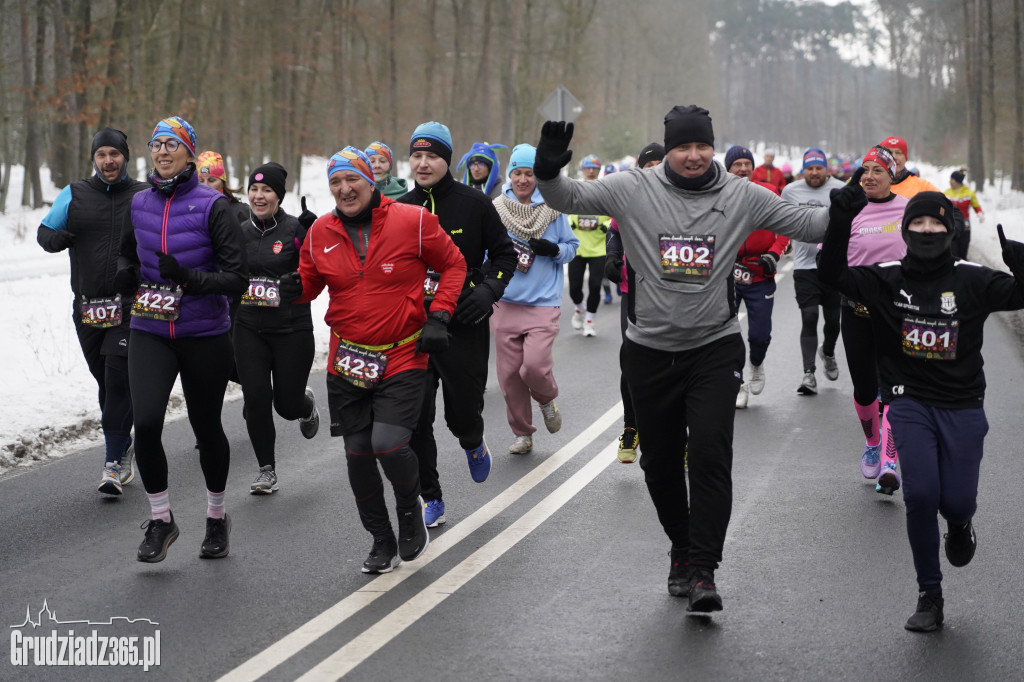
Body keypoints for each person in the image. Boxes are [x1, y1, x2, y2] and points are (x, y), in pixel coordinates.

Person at [533, 106, 830, 613]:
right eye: (682, 147)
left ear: (714, 148)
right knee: (661, 464)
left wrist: (856, 200)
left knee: (712, 456)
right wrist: (548, 164)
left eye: (702, 147)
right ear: (667, 149)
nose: (693, 156)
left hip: (713, 347)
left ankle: (704, 570)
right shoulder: (633, 188)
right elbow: (566, 196)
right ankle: (682, 547)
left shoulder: (742, 194)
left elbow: (812, 224)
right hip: (650, 352)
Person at [820, 182, 1024, 632]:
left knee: (956, 499)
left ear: (950, 230)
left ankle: (960, 523)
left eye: (936, 222)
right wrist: (840, 223)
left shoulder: (972, 279)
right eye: (918, 222)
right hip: (908, 401)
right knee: (920, 496)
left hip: (963, 404)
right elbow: (832, 274)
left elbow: (1019, 295)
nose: (927, 229)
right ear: (906, 230)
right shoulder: (887, 278)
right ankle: (930, 595)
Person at [291, 146, 465, 573]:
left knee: (387, 443)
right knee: (357, 453)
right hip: (347, 360)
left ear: (371, 181)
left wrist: (439, 315)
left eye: (352, 179)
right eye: (335, 182)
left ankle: (410, 513)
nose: (345, 189)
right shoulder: (320, 233)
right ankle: (381, 539)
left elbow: (455, 265)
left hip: (403, 352)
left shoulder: (414, 221)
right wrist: (285, 284)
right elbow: (309, 286)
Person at [117, 116, 248, 563]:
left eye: (173, 144)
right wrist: (126, 272)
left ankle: (216, 517)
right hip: (150, 328)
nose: (163, 151)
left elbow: (236, 279)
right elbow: (127, 249)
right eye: (156, 144)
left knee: (206, 427)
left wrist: (188, 277)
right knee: (148, 423)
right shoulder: (138, 203)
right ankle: (161, 520)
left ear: (190, 152)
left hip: (204, 333)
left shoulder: (214, 206)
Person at [398, 122, 517, 528]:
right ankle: (430, 497)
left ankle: (472, 440)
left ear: (448, 160)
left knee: (461, 413)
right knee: (415, 418)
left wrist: (487, 292)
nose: (423, 163)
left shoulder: (474, 203)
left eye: (432, 156)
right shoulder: (399, 208)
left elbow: (505, 256)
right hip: (413, 326)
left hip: (464, 321)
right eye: (416, 155)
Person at [37, 127, 147, 495]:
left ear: (125, 157)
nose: (108, 161)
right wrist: (56, 239)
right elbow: (45, 232)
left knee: (118, 378)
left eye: (114, 154)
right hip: (87, 307)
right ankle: (122, 440)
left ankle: (113, 463)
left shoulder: (143, 195)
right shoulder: (75, 193)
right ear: (93, 159)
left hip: (130, 306)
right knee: (106, 383)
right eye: (101, 155)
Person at [233, 162, 319, 495]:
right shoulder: (239, 232)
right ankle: (266, 470)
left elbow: (317, 270)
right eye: (254, 189)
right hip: (249, 327)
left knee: (285, 405)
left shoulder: (296, 229)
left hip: (291, 330)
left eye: (266, 190)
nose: (258, 196)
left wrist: (315, 234)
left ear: (278, 196)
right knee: (255, 397)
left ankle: (305, 405)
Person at [489, 144, 578, 455]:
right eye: (517, 173)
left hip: (542, 302)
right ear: (509, 175)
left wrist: (553, 250)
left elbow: (572, 246)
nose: (523, 179)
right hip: (505, 302)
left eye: (529, 173)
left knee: (535, 368)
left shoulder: (553, 209)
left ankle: (546, 398)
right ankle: (523, 434)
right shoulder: (497, 209)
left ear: (538, 177)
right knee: (510, 376)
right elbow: (486, 248)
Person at [833, 146, 910, 495]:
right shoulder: (851, 210)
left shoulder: (908, 209)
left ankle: (891, 461)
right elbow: (830, 258)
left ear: (891, 175)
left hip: (898, 315)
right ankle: (873, 443)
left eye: (878, 170)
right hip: (857, 312)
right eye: (864, 170)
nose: (869, 176)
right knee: (865, 388)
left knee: (895, 386)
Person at [606, 142, 664, 463]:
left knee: (675, 364)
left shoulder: (684, 196)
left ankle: (679, 435)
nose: (654, 169)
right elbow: (614, 231)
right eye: (648, 164)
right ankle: (631, 427)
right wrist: (612, 257)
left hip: (672, 293)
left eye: (660, 163)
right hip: (633, 290)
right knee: (632, 360)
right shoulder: (629, 197)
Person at [724, 146, 790, 409]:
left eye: (746, 164)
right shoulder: (718, 195)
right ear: (727, 169)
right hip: (728, 274)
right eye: (736, 164)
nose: (742, 168)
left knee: (760, 335)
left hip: (760, 274)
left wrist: (774, 253)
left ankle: (757, 363)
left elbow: (786, 226)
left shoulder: (769, 192)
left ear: (754, 168)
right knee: (727, 333)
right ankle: (738, 383)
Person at [780, 148, 846, 395]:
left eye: (819, 168)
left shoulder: (840, 189)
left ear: (827, 169)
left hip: (833, 266)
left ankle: (827, 352)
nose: (814, 173)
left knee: (833, 320)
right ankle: (808, 374)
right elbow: (781, 218)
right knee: (809, 317)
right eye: (810, 168)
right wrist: (783, 240)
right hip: (804, 266)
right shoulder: (791, 191)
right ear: (803, 170)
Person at [567, 154, 611, 337]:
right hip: (578, 247)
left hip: (598, 248)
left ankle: (590, 320)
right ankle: (579, 309)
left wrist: (605, 226)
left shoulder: (606, 191)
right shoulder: (576, 190)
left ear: (599, 171)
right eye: (588, 168)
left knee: (594, 286)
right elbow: (566, 211)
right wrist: (572, 222)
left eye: (595, 168)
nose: (591, 172)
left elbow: (614, 216)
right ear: (583, 170)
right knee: (574, 288)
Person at [196, 150, 249, 225]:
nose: (206, 185)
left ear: (222, 183)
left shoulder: (242, 212)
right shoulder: (190, 212)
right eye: (201, 181)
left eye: (211, 180)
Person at [944, 170, 985, 260]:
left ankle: (963, 269)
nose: (950, 181)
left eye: (952, 179)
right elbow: (942, 207)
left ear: (958, 181)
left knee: (963, 252)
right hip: (951, 226)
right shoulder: (947, 193)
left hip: (965, 227)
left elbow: (976, 206)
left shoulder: (969, 193)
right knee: (953, 253)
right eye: (950, 179)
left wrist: (980, 213)